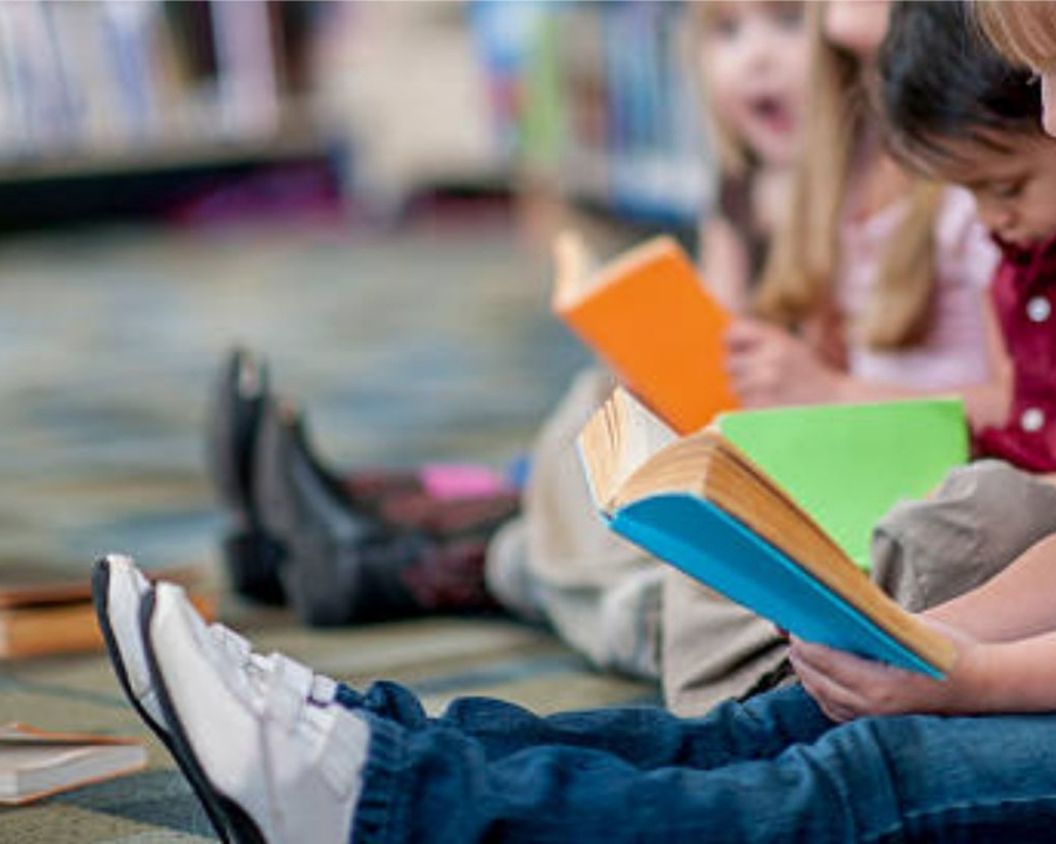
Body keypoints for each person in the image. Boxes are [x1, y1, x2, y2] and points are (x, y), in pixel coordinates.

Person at [101, 0, 1056, 838]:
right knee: (775, 729)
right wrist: (908, 637)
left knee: (869, 786)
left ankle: (370, 810)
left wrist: (968, 680)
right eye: (1045, 80)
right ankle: (369, 745)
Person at [209, 0, 814, 642]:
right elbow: (720, 334)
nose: (757, 57)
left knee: (563, 501)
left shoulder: (835, 200)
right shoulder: (740, 189)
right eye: (728, 33)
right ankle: (346, 517)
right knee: (579, 439)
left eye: (788, 23)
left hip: (764, 465)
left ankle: (369, 546)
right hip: (727, 437)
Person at [659, 0, 1056, 715]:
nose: (993, 218)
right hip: (950, 479)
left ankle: (783, 674)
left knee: (968, 512)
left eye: (1003, 191)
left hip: (999, 499)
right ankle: (766, 668)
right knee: (722, 496)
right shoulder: (1018, 244)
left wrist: (834, 392)